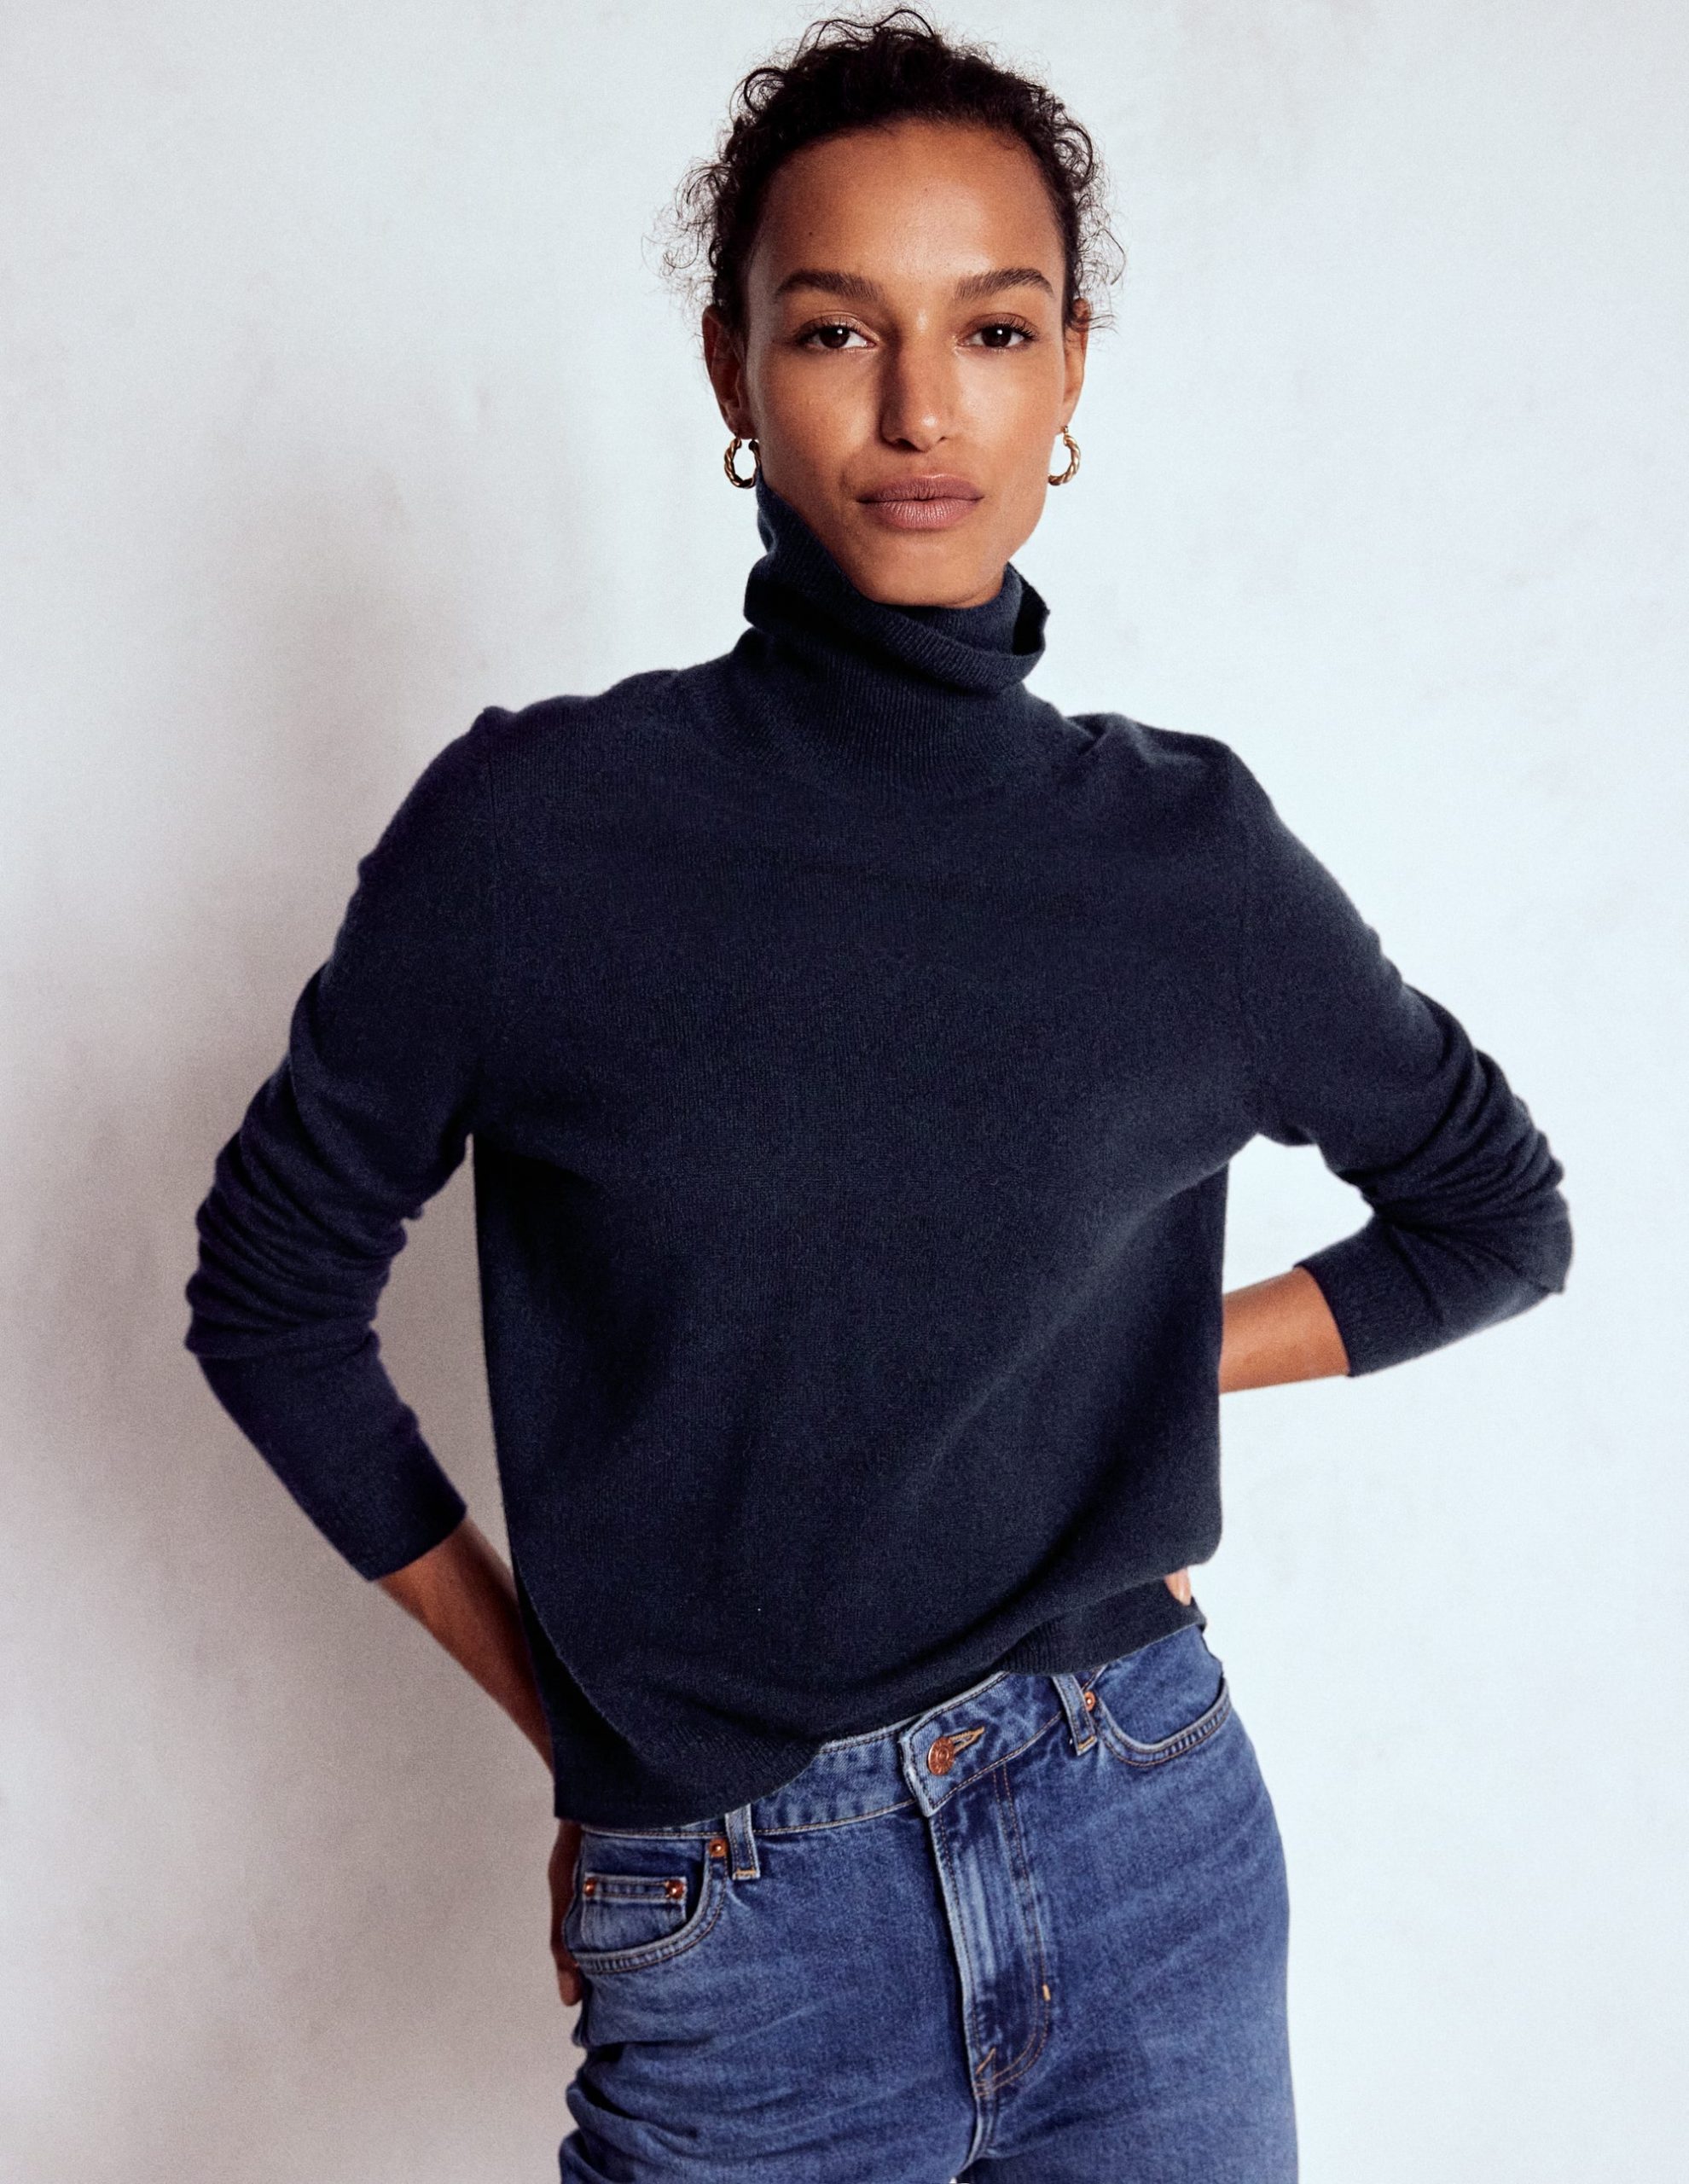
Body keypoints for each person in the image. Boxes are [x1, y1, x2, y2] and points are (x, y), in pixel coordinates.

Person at [182, 10, 1572, 2179]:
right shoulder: (536, 839)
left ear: (1070, 373)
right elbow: (270, 1304)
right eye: (837, 330)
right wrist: (577, 1724)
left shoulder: (1186, 864)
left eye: (994, 330)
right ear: (733, 373)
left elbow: (1496, 1217)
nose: (923, 409)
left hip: (1150, 1838)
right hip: (743, 1921)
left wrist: (1139, 1358)